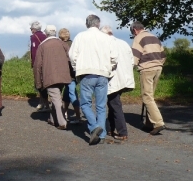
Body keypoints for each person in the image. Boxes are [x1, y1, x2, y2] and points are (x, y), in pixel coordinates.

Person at [68, 15, 118, 146]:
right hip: (102, 74)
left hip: (86, 73)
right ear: (98, 24)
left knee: (85, 104)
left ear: (86, 24)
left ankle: (94, 127)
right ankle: (101, 135)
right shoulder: (106, 38)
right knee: (101, 105)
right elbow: (114, 56)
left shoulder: (80, 37)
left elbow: (72, 56)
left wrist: (76, 67)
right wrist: (110, 68)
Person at [131, 21, 166, 135]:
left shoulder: (138, 38)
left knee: (147, 97)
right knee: (150, 96)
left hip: (147, 69)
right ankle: (149, 124)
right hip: (158, 68)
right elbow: (163, 55)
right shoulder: (154, 37)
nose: (134, 35)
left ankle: (158, 123)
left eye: (133, 33)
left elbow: (135, 57)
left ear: (135, 30)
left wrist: (131, 68)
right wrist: (159, 64)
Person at [33, 25, 72, 129]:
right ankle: (52, 118)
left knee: (56, 98)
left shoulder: (42, 46)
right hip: (63, 76)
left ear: (46, 33)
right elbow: (70, 58)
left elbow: (37, 65)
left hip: (49, 76)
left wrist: (38, 82)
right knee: (56, 97)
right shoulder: (63, 44)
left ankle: (62, 122)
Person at [101, 25, 135, 140]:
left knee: (115, 104)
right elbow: (132, 61)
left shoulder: (106, 44)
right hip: (125, 78)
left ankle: (122, 132)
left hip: (113, 78)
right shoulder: (123, 43)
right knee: (113, 103)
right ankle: (110, 128)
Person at [58, 28, 81, 123]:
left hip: (65, 74)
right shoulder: (73, 44)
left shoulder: (60, 45)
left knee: (72, 94)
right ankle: (65, 113)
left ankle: (78, 116)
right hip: (73, 73)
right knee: (67, 94)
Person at [29, 21, 48, 112]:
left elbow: (34, 51)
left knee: (39, 83)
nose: (31, 30)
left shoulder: (33, 37)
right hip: (46, 63)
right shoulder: (45, 36)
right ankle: (43, 102)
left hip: (38, 63)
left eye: (31, 28)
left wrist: (33, 64)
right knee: (45, 82)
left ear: (34, 29)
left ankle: (44, 103)